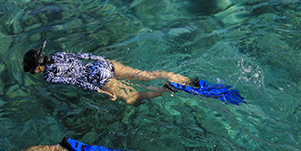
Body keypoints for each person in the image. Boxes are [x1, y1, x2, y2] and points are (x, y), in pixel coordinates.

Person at [22, 42, 193, 105]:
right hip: (102, 64)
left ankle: (168, 89)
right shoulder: (57, 55)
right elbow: (83, 56)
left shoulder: (50, 77)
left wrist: (102, 92)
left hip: (97, 78)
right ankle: (180, 78)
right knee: (145, 74)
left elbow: (76, 82)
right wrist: (101, 60)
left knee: (133, 98)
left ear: (37, 68)